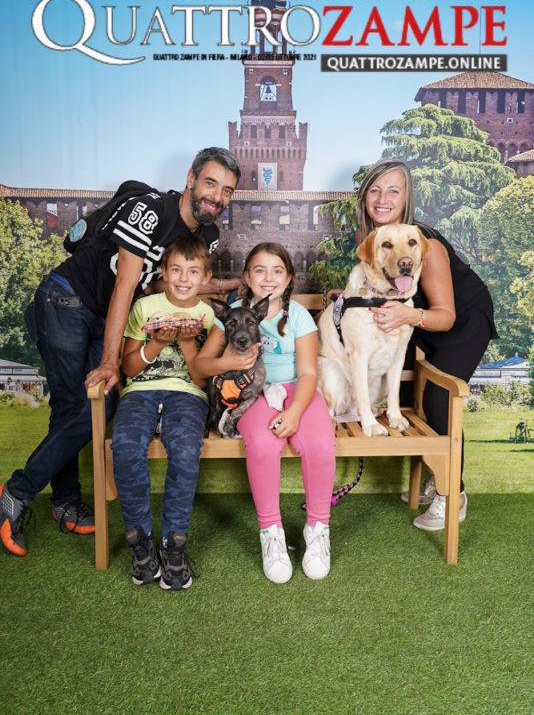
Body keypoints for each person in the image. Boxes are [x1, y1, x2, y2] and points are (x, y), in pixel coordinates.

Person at [0, 147, 241, 557]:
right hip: (68, 299)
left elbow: (163, 284)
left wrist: (224, 286)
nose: (217, 197)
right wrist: (111, 361)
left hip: (104, 314)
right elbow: (126, 286)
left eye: (227, 191)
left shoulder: (206, 235)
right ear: (190, 178)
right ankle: (17, 492)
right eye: (211, 184)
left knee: (80, 408)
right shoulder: (151, 210)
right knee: (82, 405)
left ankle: (62, 502)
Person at [356, 158, 497, 531]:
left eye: (393, 191)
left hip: (461, 319)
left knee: (438, 400)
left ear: (406, 200)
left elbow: (444, 316)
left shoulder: (426, 244)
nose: (383, 198)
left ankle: (453, 495)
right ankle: (434, 479)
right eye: (375, 189)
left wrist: (405, 317)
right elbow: (381, 290)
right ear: (364, 197)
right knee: (413, 395)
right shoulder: (371, 241)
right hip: (418, 319)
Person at [194, 242, 336, 583]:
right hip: (252, 392)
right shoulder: (232, 312)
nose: (268, 278)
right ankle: (271, 533)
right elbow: (200, 366)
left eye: (277, 271)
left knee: (319, 443)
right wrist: (227, 362)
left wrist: (295, 412)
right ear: (246, 277)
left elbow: (308, 373)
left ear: (289, 279)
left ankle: (317, 529)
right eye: (259, 270)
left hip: (296, 390)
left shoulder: (298, 315)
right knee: (260, 443)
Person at [112, 235, 214, 590]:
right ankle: (140, 542)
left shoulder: (209, 315)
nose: (184, 278)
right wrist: (156, 342)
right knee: (125, 448)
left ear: (206, 277)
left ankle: (174, 543)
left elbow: (201, 380)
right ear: (164, 272)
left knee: (186, 450)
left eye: (193, 271)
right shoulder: (144, 307)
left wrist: (186, 341)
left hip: (187, 395)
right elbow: (127, 369)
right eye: (176, 270)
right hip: (140, 392)